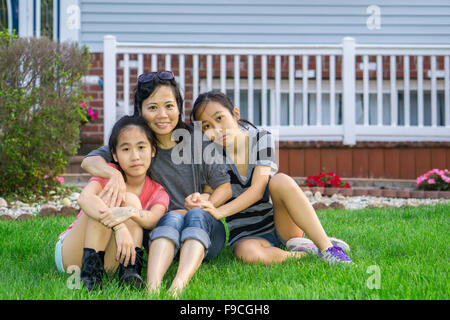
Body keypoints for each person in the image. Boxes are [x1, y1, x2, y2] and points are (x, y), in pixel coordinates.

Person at [81, 71, 232, 297]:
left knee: (194, 216)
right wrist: (114, 175)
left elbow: (225, 186)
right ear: (140, 110)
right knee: (170, 218)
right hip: (157, 231)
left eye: (169, 106)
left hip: (200, 227)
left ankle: (177, 286)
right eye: (152, 108)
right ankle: (153, 286)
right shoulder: (136, 144)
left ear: (179, 107)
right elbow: (88, 161)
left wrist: (205, 203)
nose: (162, 115)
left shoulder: (197, 140)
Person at [189, 90, 352, 266]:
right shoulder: (211, 156)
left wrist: (219, 212)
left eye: (219, 118)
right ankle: (307, 252)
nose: (216, 129)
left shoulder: (261, 138)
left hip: (281, 225)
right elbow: (211, 193)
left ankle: (328, 249)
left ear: (235, 114)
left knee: (280, 180)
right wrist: (200, 200)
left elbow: (258, 190)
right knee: (247, 253)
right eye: (207, 126)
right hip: (247, 235)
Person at [55, 115, 170, 292]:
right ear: (114, 154)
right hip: (73, 253)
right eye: (126, 149)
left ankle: (129, 274)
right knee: (126, 199)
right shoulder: (110, 174)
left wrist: (130, 213)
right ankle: (90, 279)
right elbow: (84, 199)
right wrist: (119, 227)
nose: (135, 156)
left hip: (111, 260)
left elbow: (153, 219)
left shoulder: (158, 191)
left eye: (141, 147)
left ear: (153, 150)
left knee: (132, 206)